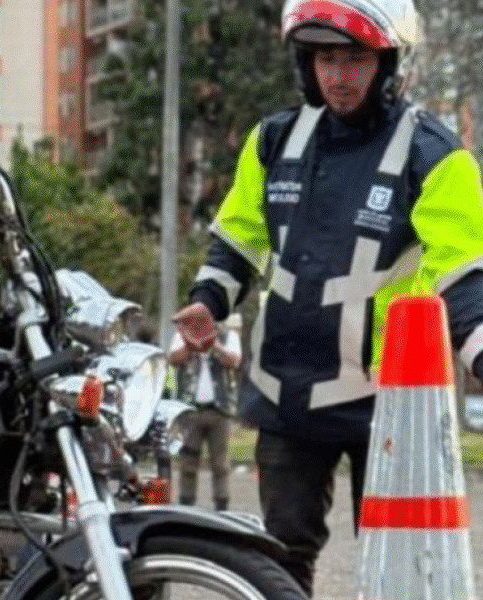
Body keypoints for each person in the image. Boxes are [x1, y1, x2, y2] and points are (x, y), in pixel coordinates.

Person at [171, 0, 483, 595]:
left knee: (399, 561)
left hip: (388, 401)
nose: (338, 76)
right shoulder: (273, 141)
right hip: (287, 395)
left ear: (390, 61)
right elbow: (240, 238)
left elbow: (463, 273)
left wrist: (480, 350)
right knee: (279, 558)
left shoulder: (437, 155)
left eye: (356, 58)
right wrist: (209, 299)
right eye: (324, 58)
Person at [168, 313, 242, 511]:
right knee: (188, 462)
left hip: (220, 410)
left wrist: (214, 346)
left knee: (220, 463)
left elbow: (234, 361)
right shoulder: (183, 335)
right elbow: (174, 358)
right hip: (191, 410)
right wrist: (191, 344)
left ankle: (222, 505)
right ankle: (187, 504)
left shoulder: (228, 336)